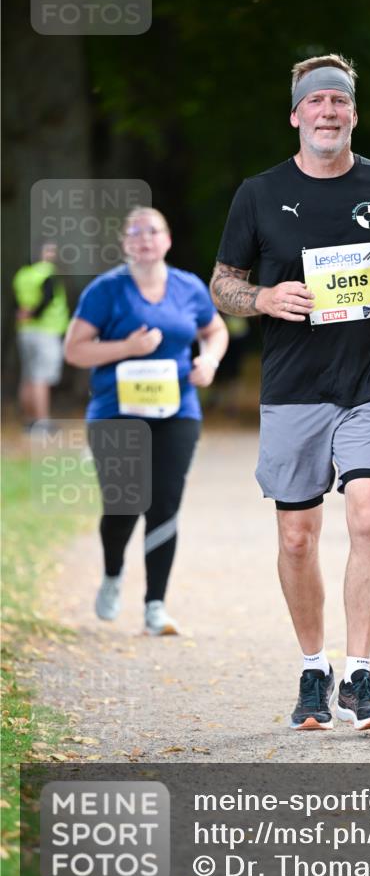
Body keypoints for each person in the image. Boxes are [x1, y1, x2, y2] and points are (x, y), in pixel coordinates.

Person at [210, 53, 370, 731]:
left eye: (339, 101)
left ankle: (361, 675)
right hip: (292, 387)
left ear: (353, 114)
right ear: (295, 115)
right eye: (316, 102)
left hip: (369, 381)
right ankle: (314, 668)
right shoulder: (258, 192)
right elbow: (222, 282)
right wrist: (263, 296)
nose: (328, 112)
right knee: (298, 539)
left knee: (368, 515)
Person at [64, 207, 228, 633]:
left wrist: (208, 361)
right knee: (124, 504)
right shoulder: (106, 291)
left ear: (167, 240)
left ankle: (155, 605)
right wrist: (126, 348)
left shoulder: (188, 287)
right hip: (115, 411)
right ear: (124, 244)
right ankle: (113, 575)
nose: (144, 239)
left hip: (177, 409)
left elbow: (215, 330)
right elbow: (75, 350)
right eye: (134, 233)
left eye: (152, 231)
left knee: (165, 505)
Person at [13, 242, 69, 428]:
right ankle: (42, 422)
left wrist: (25, 314)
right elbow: (47, 298)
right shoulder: (48, 272)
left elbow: (17, 301)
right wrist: (35, 313)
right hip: (46, 331)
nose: (53, 254)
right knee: (41, 378)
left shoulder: (23, 274)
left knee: (28, 376)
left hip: (25, 331)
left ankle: (29, 420)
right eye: (50, 250)